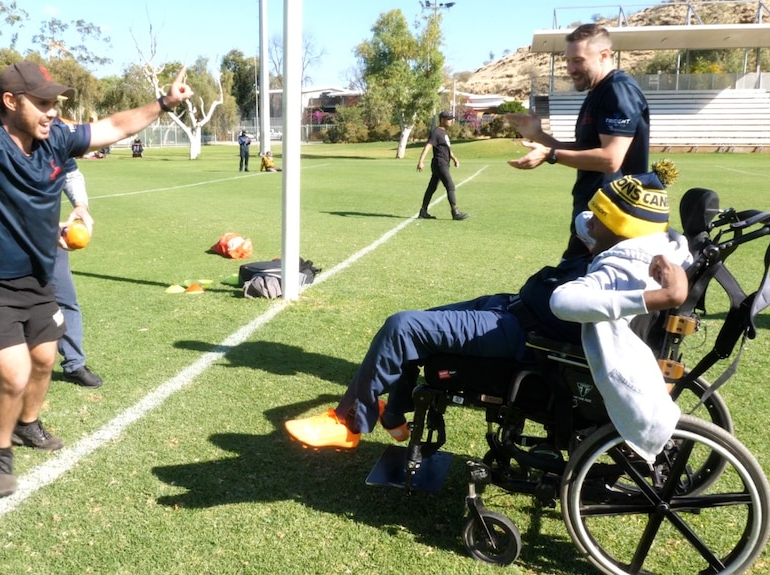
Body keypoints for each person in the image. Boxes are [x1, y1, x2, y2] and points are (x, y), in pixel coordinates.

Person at [0, 12, 193, 497]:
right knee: (13, 375)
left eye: (55, 102)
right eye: (42, 103)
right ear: (11, 102)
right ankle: (0, 453)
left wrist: (163, 102)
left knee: (42, 362)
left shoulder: (55, 138)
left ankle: (28, 424)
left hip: (38, 276)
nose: (53, 111)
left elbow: (115, 125)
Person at [284, 164, 689, 453]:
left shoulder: (621, 266)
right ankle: (392, 416)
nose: (588, 226)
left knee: (402, 327)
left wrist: (660, 298)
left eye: (600, 221)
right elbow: (588, 222)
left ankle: (349, 423)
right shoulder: (648, 243)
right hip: (513, 309)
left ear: (619, 229)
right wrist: (603, 218)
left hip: (525, 332)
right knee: (420, 323)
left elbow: (566, 301)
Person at [506, 23, 650, 259]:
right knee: (568, 280)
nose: (570, 68)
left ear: (604, 56)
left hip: (612, 219)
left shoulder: (618, 91)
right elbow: (586, 151)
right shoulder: (598, 92)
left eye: (578, 60)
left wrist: (549, 154)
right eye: (568, 60)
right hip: (594, 213)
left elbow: (610, 159)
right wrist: (539, 136)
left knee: (573, 286)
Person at [50, 159, 104, 389]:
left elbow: (71, 173)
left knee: (66, 302)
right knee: (15, 306)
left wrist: (80, 204)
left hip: (50, 241)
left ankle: (74, 365)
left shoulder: (54, 139)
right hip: (5, 243)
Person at [416, 111, 468, 221]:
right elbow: (428, 146)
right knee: (450, 186)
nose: (450, 121)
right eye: (448, 119)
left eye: (451, 119)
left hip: (442, 163)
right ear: (442, 120)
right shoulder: (436, 132)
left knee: (432, 188)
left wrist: (455, 159)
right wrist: (421, 161)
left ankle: (423, 211)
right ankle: (455, 212)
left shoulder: (443, 133)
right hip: (440, 164)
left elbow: (447, 149)